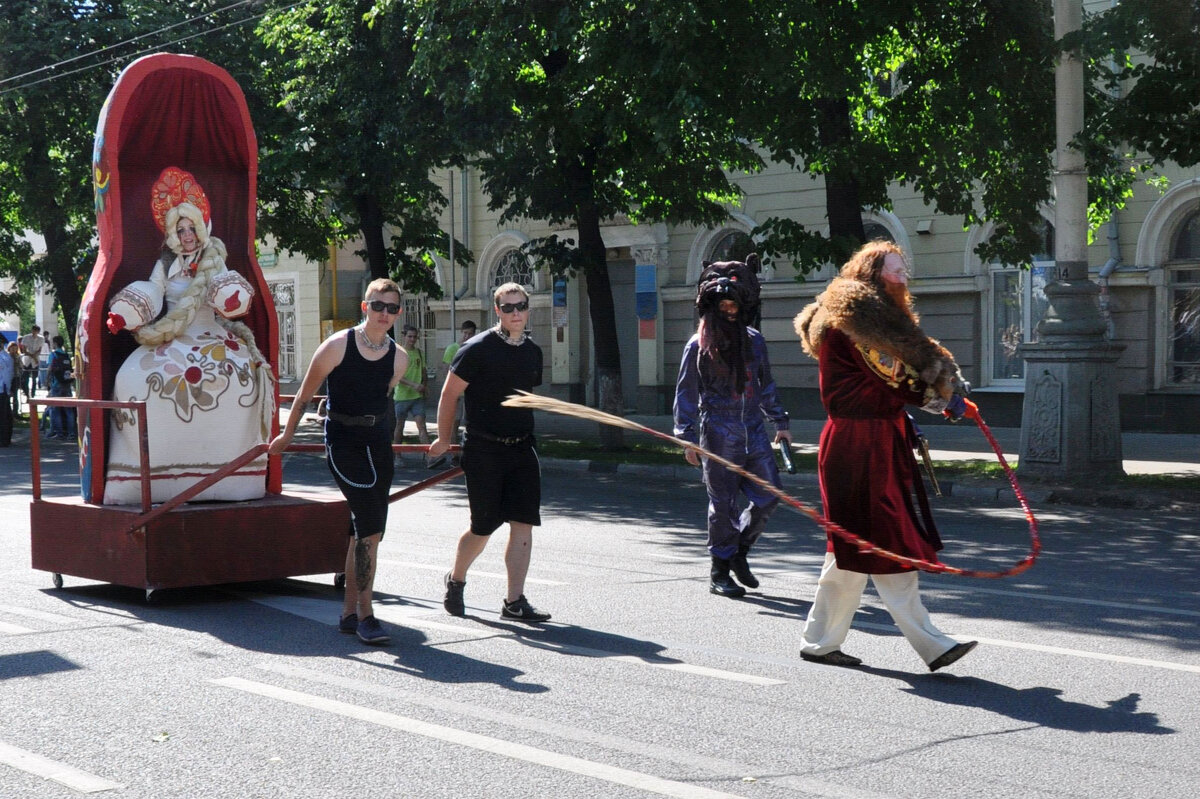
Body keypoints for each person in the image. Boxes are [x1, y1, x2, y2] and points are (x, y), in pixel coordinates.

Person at [794, 240, 979, 672]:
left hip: (871, 439)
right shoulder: (855, 324)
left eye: (903, 270)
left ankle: (819, 642)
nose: (903, 278)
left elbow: (891, 384)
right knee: (888, 540)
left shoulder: (868, 320)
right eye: (895, 271)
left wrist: (929, 405)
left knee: (849, 550)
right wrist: (942, 401)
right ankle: (932, 644)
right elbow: (894, 379)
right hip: (860, 446)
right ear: (873, 276)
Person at [103, 166, 274, 504]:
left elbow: (227, 291)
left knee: (242, 376)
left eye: (191, 227)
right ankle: (144, 479)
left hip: (213, 333)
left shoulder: (214, 261)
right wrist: (127, 310)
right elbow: (153, 292)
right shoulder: (166, 265)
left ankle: (237, 476)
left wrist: (230, 296)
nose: (186, 235)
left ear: (201, 228)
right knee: (132, 378)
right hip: (170, 336)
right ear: (171, 233)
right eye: (179, 229)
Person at [270, 278, 408, 645]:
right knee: (371, 529)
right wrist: (287, 437)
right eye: (377, 305)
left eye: (391, 308)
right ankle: (366, 614)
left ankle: (348, 613)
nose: (384, 313)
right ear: (365, 307)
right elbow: (305, 395)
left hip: (377, 444)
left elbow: (385, 400)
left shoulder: (400, 357)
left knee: (364, 529)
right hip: (343, 442)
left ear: (397, 314)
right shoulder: (337, 345)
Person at [427, 284, 550, 623]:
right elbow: (449, 396)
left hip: (522, 447)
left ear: (528, 309)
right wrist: (442, 437)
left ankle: (514, 602)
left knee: (523, 523)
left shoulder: (532, 352)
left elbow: (522, 396)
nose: (515, 313)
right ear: (497, 310)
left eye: (521, 306)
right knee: (483, 527)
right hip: (483, 448)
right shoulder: (476, 349)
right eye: (508, 307)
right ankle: (456, 580)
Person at [674, 253, 792, 598]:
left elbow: (766, 384)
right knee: (723, 504)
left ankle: (739, 550)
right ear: (712, 307)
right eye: (722, 306)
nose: (729, 311)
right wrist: (687, 438)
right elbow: (685, 392)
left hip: (753, 428)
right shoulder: (698, 345)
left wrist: (780, 422)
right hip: (718, 431)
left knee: (769, 495)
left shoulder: (754, 340)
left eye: (734, 306)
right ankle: (719, 570)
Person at [437, 319, 476, 452]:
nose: (466, 336)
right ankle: (454, 455)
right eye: (465, 333)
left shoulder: (476, 349)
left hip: (471, 394)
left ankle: (468, 453)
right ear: (461, 332)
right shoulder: (453, 348)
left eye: (470, 334)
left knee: (471, 425)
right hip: (457, 394)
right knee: (454, 424)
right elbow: (445, 370)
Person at [392, 324, 430, 447]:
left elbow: (424, 372)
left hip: (417, 397)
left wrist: (424, 386)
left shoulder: (419, 352)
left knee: (422, 425)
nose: (412, 339)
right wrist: (413, 384)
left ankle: (430, 456)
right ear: (404, 336)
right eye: (410, 336)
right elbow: (397, 376)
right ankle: (397, 455)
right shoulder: (398, 353)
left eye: (415, 337)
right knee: (399, 425)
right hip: (402, 397)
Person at [45, 335, 76, 440]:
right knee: (68, 409)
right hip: (66, 384)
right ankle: (71, 433)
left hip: (56, 384)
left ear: (55, 343)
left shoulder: (53, 354)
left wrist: (47, 380)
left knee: (55, 409)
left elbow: (50, 368)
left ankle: (59, 433)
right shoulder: (66, 355)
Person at [18, 324, 43, 403]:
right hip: (28, 360)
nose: (34, 332)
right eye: (33, 330)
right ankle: (27, 394)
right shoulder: (26, 337)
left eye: (36, 331)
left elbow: (39, 350)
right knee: (25, 379)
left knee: (34, 379)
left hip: (35, 360)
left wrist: (35, 356)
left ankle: (33, 395)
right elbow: (24, 350)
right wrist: (32, 356)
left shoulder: (41, 338)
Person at [0, 340, 13, 446]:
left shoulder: (4, 358)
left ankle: (4, 439)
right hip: (4, 388)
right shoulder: (6, 357)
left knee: (3, 415)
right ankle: (5, 438)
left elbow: (6, 375)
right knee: (5, 414)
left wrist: (7, 388)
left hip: (2, 388)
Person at [5, 341, 20, 419]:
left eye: (15, 348)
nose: (14, 350)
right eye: (12, 348)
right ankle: (8, 412)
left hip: (16, 377)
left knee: (15, 395)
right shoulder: (6, 357)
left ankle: (15, 412)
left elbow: (21, 366)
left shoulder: (17, 357)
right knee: (7, 395)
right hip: (8, 378)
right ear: (9, 348)